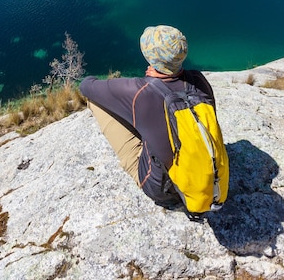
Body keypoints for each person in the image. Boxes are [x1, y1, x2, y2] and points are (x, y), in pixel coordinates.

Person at [79, 25, 216, 208]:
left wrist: (145, 83)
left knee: (95, 101)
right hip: (207, 176)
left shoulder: (139, 92)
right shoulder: (198, 80)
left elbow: (87, 85)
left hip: (165, 189)